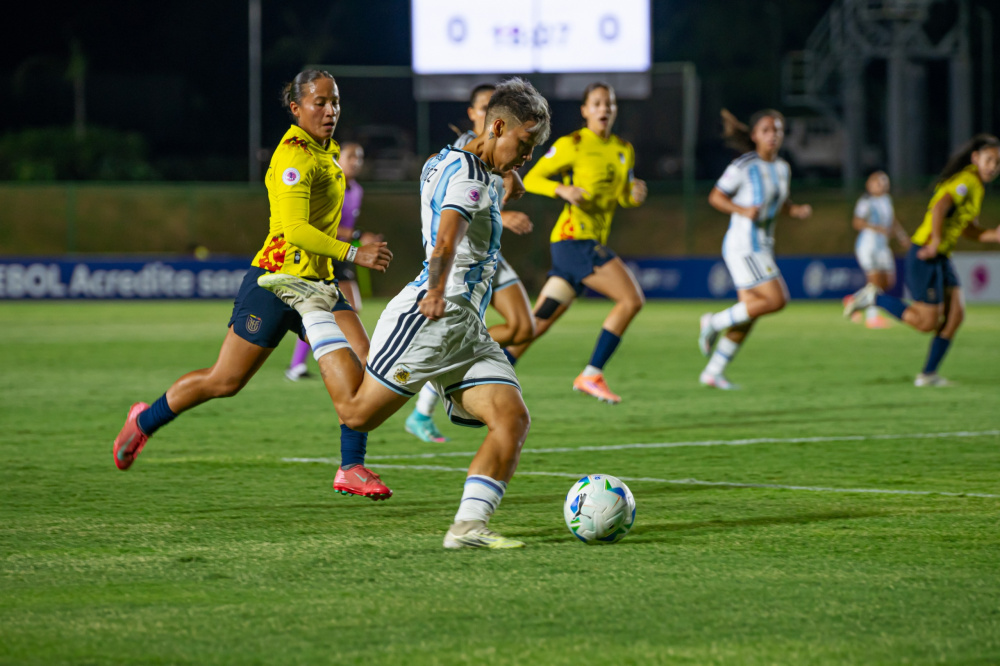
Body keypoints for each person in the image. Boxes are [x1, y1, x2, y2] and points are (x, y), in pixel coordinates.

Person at [257, 77, 551, 549]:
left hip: (467, 330)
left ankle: (468, 527)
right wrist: (435, 290)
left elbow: (488, 189)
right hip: (432, 317)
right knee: (357, 414)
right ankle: (314, 310)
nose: (526, 156)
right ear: (497, 126)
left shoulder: (448, 160)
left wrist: (506, 180)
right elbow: (448, 239)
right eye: (524, 143)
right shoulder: (470, 179)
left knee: (511, 419)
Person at [112, 70, 395, 500]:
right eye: (319, 102)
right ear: (296, 108)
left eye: (334, 101)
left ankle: (351, 467)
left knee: (364, 362)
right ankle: (143, 421)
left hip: (318, 285)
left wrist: (350, 246)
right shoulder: (294, 157)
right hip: (276, 284)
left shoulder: (328, 151)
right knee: (224, 382)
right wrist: (354, 252)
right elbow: (295, 229)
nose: (330, 110)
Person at [405, 83, 537, 443]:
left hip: (488, 253)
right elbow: (463, 197)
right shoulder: (466, 148)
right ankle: (427, 401)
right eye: (481, 107)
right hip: (464, 255)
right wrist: (504, 215)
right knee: (505, 326)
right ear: (477, 115)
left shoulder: (507, 146)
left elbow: (509, 184)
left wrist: (511, 178)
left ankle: (454, 362)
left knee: (525, 327)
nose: (486, 113)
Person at [503, 82, 648, 405]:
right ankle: (592, 373)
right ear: (585, 111)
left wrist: (633, 196)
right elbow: (535, 177)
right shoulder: (575, 144)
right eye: (596, 103)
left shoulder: (623, 149)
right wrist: (563, 190)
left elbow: (621, 194)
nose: (604, 109)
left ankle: (491, 371)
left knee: (536, 323)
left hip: (585, 242)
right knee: (631, 299)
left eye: (608, 103)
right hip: (573, 239)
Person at [845, 134, 1000, 386]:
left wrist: (994, 234)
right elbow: (940, 206)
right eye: (989, 160)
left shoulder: (977, 186)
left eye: (998, 162)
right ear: (975, 159)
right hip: (926, 253)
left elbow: (967, 228)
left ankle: (928, 375)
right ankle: (874, 297)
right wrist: (936, 240)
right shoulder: (967, 180)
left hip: (940, 256)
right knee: (927, 323)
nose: (993, 166)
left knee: (955, 316)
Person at [697, 109, 813, 389]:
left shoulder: (782, 168)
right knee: (777, 300)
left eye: (777, 130)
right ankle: (713, 321)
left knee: (751, 313)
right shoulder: (744, 165)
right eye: (766, 130)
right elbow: (715, 197)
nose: (773, 136)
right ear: (754, 136)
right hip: (743, 244)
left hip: (762, 245)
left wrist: (793, 210)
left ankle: (713, 372)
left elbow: (780, 200)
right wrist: (741, 209)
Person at [285, 142, 383, 380]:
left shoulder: (357, 190)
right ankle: (313, 363)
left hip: (342, 254)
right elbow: (323, 224)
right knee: (332, 310)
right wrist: (359, 236)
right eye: (351, 157)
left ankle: (304, 363)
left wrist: (362, 244)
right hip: (324, 253)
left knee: (347, 309)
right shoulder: (329, 185)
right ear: (338, 159)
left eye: (359, 158)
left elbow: (346, 228)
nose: (355, 162)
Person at [846, 170, 910, 328]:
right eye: (879, 182)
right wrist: (876, 228)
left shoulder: (887, 200)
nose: (883, 185)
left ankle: (854, 299)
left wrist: (901, 235)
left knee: (888, 281)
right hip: (868, 245)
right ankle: (872, 317)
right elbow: (857, 222)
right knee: (874, 280)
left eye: (885, 182)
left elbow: (892, 220)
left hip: (882, 246)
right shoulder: (866, 201)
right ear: (869, 184)